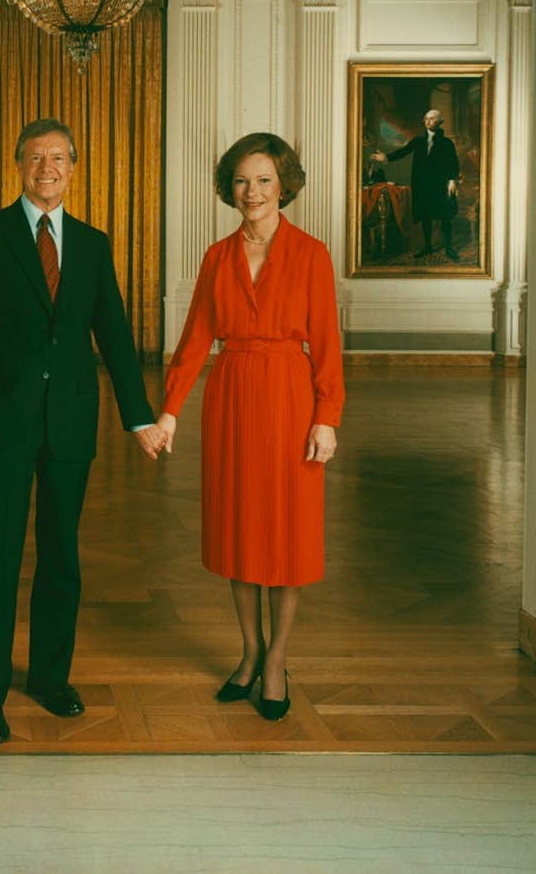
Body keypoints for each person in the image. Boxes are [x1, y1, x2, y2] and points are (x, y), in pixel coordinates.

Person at [0, 117, 167, 744]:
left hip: (72, 424)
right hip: (6, 425)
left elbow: (116, 337)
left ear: (75, 168)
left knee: (61, 558)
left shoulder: (93, 245)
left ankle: (48, 677)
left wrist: (139, 416)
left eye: (60, 158)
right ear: (18, 166)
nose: (49, 169)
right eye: (37, 158)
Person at [153, 133, 345, 721]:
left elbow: (330, 347)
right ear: (228, 188)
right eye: (241, 180)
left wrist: (327, 419)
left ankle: (278, 661)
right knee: (239, 534)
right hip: (232, 396)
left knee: (285, 538)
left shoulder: (311, 254)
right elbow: (192, 343)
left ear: (284, 184)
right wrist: (168, 412)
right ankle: (250, 649)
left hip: (290, 398)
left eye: (263, 179)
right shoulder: (216, 257)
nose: (252, 191)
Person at [372, 108, 460, 260]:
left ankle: (448, 247)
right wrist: (386, 157)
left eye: (431, 118)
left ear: (439, 122)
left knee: (445, 216)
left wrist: (452, 180)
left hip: (440, 185)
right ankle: (427, 246)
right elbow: (403, 152)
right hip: (423, 185)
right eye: (426, 118)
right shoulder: (418, 141)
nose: (428, 121)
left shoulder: (447, 143)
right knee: (425, 215)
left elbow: (453, 162)